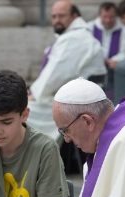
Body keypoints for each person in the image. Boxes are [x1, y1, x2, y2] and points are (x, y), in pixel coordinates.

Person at [27, 0, 106, 140]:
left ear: (75, 16)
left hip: (79, 105)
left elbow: (54, 75)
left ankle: (36, 156)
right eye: (54, 16)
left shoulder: (74, 39)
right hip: (80, 99)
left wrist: (34, 93)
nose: (57, 20)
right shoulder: (78, 35)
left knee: (21, 111)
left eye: (61, 16)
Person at [88, 2, 125, 96]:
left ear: (116, 16)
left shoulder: (123, 30)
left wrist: (115, 60)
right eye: (105, 17)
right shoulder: (90, 28)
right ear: (99, 15)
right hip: (93, 71)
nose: (108, 20)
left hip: (113, 71)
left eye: (111, 17)